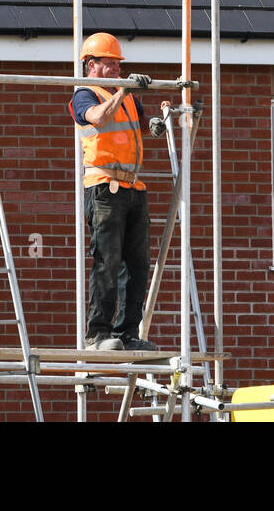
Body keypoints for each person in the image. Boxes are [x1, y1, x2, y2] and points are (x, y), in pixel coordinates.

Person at [71, 31, 158, 352]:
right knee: (107, 260)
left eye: (118, 65)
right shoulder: (85, 94)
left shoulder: (127, 95)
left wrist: (158, 124)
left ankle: (125, 333)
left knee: (137, 264)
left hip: (133, 185)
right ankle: (98, 334)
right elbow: (97, 117)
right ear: (91, 65)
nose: (118, 71)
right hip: (103, 187)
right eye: (110, 65)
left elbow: (140, 126)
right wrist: (122, 92)